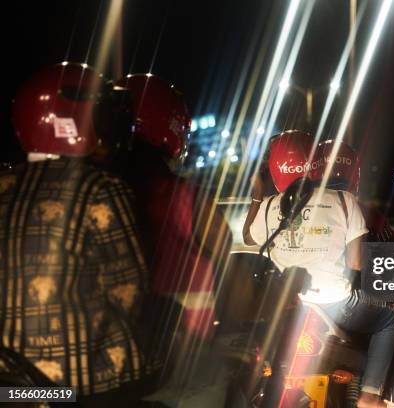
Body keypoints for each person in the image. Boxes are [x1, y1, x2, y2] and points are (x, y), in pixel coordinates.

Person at [1, 63, 153, 405]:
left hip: (10, 385)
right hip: (82, 384)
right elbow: (131, 288)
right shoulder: (99, 188)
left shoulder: (4, 185)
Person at [243, 131, 394, 408]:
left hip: (291, 306)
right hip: (335, 303)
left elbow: (249, 237)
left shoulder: (270, 206)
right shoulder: (343, 201)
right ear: (315, 162)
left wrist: (258, 196)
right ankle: (368, 396)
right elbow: (356, 263)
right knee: (392, 319)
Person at [113, 73, 232, 401]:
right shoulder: (187, 198)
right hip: (182, 366)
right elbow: (231, 270)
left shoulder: (93, 194)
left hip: (104, 368)